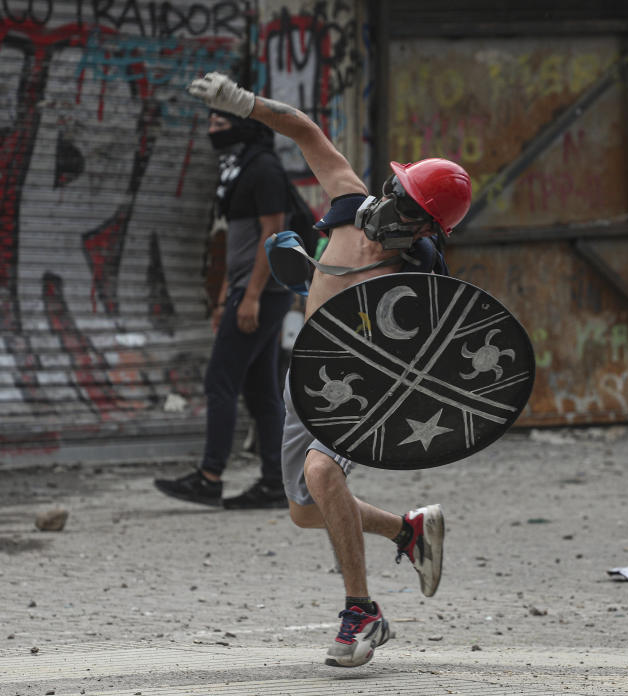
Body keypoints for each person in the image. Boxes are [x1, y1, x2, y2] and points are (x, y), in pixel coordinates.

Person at [186, 71, 472, 667]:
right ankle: (408, 532)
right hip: (305, 374)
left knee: (321, 473)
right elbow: (304, 129)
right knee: (303, 508)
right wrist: (243, 103)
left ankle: (362, 612)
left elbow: (428, 356)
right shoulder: (348, 205)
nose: (394, 210)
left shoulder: (417, 279)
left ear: (426, 228)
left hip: (358, 387)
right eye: (398, 194)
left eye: (412, 211)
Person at [154, 109, 294, 510]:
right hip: (251, 291)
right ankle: (274, 482)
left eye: (220, 124)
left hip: (261, 292)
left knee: (220, 380)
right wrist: (223, 300)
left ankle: (209, 476)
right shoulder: (239, 170)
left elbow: (274, 233)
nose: (212, 131)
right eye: (210, 122)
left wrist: (249, 296)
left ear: (244, 126)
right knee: (261, 391)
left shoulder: (263, 168)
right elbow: (236, 246)